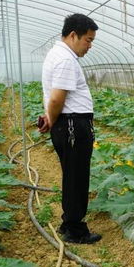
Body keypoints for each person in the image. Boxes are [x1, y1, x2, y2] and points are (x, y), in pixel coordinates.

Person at [38, 13, 101, 244]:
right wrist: (52, 120)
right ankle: (75, 230)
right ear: (73, 35)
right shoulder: (65, 60)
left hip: (69, 125)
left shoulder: (59, 55)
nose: (90, 45)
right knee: (77, 178)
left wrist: (51, 120)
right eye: (88, 40)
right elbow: (56, 100)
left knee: (72, 176)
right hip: (73, 125)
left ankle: (69, 222)